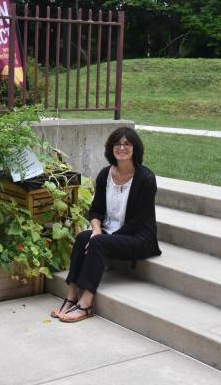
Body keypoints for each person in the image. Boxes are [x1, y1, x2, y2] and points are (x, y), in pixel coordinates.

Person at [51, 127, 162, 322]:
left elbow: (139, 222)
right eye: (117, 144)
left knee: (99, 243)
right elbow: (95, 210)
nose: (121, 147)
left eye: (127, 144)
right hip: (110, 232)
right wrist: (96, 229)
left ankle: (85, 304)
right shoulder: (105, 175)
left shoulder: (146, 178)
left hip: (139, 238)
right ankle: (71, 296)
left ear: (135, 148)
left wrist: (104, 237)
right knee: (82, 237)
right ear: (111, 148)